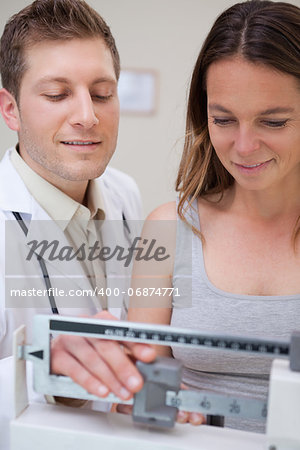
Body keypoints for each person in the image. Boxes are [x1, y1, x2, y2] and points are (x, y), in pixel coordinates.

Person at [126, 0, 300, 433]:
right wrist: (151, 403)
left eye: (273, 122)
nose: (243, 146)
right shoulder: (166, 229)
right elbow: (144, 388)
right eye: (224, 119)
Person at [0, 1, 154, 447]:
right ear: (11, 110)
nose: (88, 115)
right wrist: (40, 366)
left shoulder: (126, 195)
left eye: (102, 93)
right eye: (57, 94)